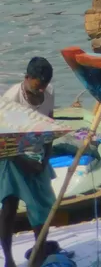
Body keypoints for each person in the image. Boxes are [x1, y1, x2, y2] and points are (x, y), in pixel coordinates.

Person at [1, 58, 56, 267]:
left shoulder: (48, 93)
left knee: (41, 207)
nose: (40, 90)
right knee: (8, 207)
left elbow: (50, 126)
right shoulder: (11, 100)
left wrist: (44, 160)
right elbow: (5, 143)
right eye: (36, 86)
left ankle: (38, 256)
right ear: (26, 79)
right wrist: (25, 163)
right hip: (10, 155)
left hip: (37, 155)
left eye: (43, 86)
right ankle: (8, 259)